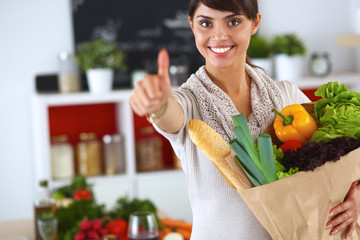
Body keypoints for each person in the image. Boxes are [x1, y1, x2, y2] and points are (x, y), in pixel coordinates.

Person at [129, 0, 360, 239]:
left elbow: (345, 155)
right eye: (206, 23)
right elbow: (169, 115)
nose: (218, 35)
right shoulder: (188, 103)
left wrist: (357, 195)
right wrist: (157, 104)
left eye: (233, 21)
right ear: (192, 26)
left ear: (255, 23)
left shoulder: (286, 96)